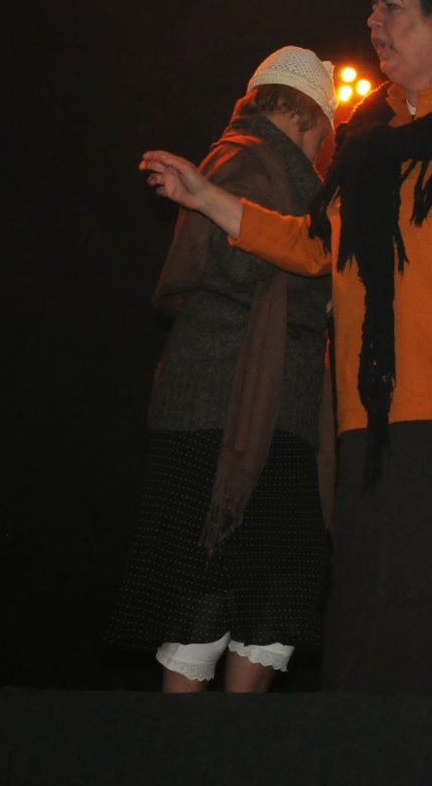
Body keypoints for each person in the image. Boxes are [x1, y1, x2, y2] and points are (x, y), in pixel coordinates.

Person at [141, 0, 432, 692]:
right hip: (373, 419)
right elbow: (313, 246)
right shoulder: (366, 137)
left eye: (391, 6)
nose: (373, 21)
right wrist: (206, 198)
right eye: (372, 8)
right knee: (376, 625)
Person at [108, 47, 337, 692]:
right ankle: (190, 744)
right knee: (210, 587)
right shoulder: (253, 158)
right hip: (228, 409)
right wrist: (315, 261)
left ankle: (234, 742)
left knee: (271, 590)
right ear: (315, 119)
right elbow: (240, 264)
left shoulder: (260, 160)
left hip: (264, 409)